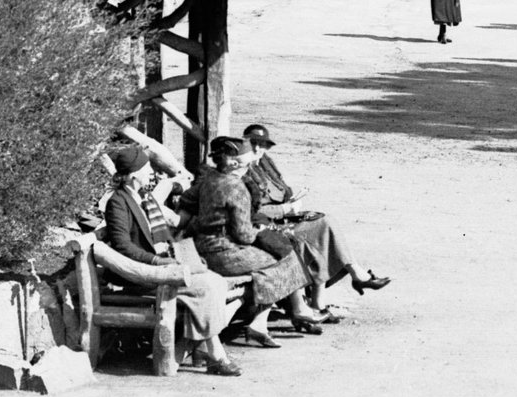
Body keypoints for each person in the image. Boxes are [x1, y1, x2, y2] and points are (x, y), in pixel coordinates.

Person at [101, 144, 243, 375]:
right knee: (205, 288)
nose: (152, 172)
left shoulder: (143, 197)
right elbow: (123, 246)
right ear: (134, 175)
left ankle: (202, 349)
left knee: (215, 281)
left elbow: (164, 232)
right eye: (147, 168)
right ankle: (216, 355)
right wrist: (157, 262)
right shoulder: (118, 202)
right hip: (141, 273)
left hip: (160, 265)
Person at [240, 123, 389, 316]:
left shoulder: (265, 165)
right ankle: (352, 278)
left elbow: (283, 191)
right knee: (318, 234)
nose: (258, 149)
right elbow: (253, 211)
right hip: (267, 227)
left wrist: (292, 203)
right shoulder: (242, 171)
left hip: (284, 219)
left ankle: (326, 297)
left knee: (325, 222)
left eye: (262, 145)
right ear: (245, 144)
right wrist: (284, 209)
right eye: (253, 144)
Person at [190, 137, 325, 344]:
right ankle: (282, 315)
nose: (250, 167)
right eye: (247, 163)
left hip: (202, 247)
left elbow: (187, 201)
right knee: (283, 260)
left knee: (275, 259)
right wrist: (259, 230)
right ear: (233, 163)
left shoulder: (210, 179)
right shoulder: (236, 187)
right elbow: (243, 235)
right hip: (224, 253)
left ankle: (263, 323)